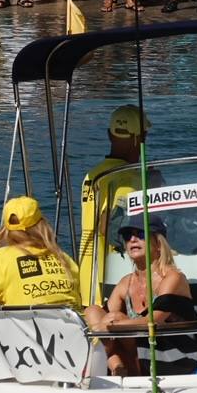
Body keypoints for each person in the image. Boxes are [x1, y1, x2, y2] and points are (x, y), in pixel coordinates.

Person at [84, 216, 197, 376]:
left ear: (159, 244)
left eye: (141, 234)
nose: (132, 239)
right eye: (127, 236)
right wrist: (106, 326)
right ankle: (117, 367)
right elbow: (102, 318)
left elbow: (152, 321)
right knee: (92, 311)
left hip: (174, 356)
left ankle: (120, 371)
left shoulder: (173, 278)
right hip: (137, 356)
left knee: (115, 317)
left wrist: (110, 326)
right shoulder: (126, 283)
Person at [79, 105, 152, 306]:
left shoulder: (92, 175)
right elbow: (108, 225)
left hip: (88, 278)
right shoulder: (129, 177)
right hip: (112, 282)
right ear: (140, 138)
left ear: (109, 135)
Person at [0, 196, 81, 309]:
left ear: (6, 228)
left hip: (29, 326)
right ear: (42, 224)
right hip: (74, 325)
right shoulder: (63, 257)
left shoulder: (2, 258)